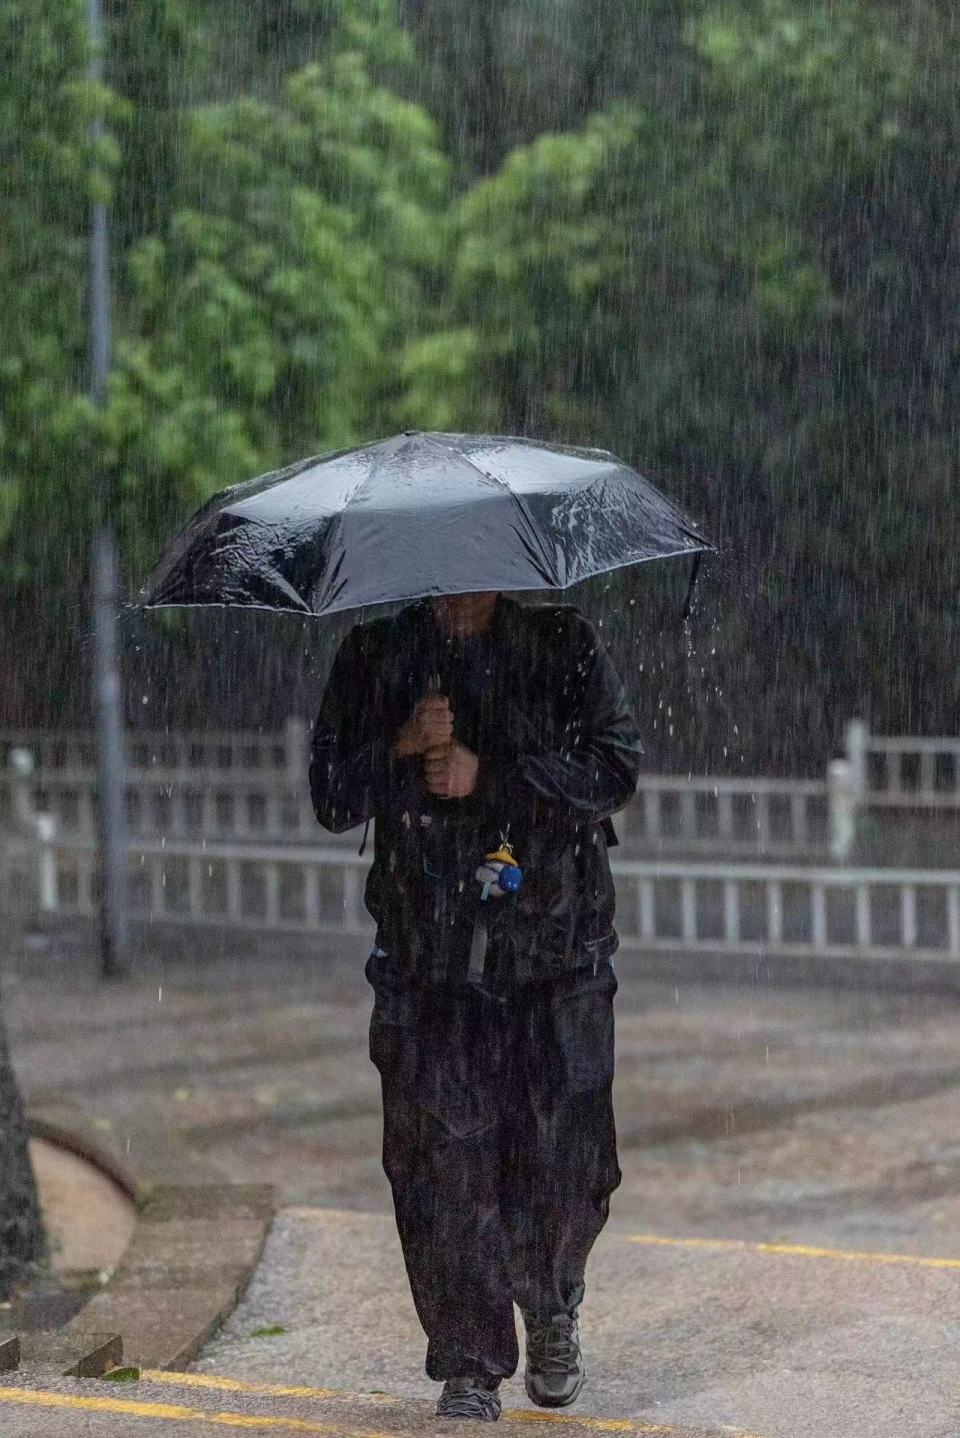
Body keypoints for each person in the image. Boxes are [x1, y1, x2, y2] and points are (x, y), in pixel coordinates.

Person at [310, 590, 643, 1422]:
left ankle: (552, 1301)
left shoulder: (564, 644)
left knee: (566, 1146)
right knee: (440, 1158)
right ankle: (468, 1358)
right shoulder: (377, 656)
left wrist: (488, 773)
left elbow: (614, 767)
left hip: (556, 946)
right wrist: (402, 744)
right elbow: (331, 793)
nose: (462, 588)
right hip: (430, 956)